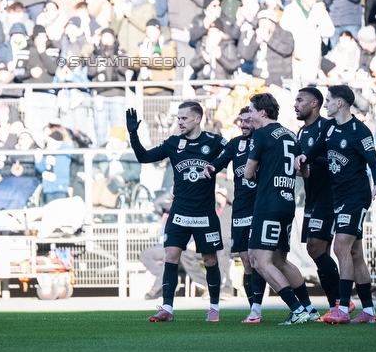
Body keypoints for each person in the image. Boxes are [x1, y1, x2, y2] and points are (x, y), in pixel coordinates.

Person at [126, 102, 226, 323]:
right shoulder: (173, 143)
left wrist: (217, 165)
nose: (179, 122)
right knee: (171, 256)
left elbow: (234, 153)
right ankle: (167, 309)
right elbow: (144, 157)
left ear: (197, 119)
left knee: (209, 260)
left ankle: (214, 307)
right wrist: (133, 134)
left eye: (184, 118)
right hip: (180, 211)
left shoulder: (215, 142)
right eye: (178, 118)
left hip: (205, 213)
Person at [298, 85, 376, 324]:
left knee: (340, 248)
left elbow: (374, 163)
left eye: (328, 100)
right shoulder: (328, 129)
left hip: (355, 198)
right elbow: (315, 151)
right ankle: (368, 311)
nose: (324, 104)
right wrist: (304, 157)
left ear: (340, 104)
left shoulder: (360, 131)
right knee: (356, 253)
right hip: (339, 198)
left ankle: (343, 309)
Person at [243, 93, 317, 326]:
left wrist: (260, 175)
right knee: (281, 260)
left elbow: (247, 173)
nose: (250, 116)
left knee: (259, 260)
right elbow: (303, 171)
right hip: (287, 202)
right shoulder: (289, 133)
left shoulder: (261, 134)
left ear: (262, 112)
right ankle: (309, 308)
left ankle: (297, 310)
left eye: (252, 111)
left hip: (268, 203)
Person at [207, 107, 264, 322]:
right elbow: (221, 160)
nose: (244, 124)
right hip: (240, 207)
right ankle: (254, 309)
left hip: (261, 206)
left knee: (263, 259)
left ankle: (296, 305)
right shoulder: (235, 143)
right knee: (247, 260)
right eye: (242, 121)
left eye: (249, 120)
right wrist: (211, 167)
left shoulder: (265, 140)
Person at [294, 87, 342, 312]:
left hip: (329, 196)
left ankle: (342, 299)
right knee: (319, 252)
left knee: (315, 249)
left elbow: (333, 159)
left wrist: (309, 164)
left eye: (300, 100)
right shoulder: (301, 133)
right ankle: (335, 305)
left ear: (314, 104)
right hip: (311, 197)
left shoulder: (327, 127)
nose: (295, 104)